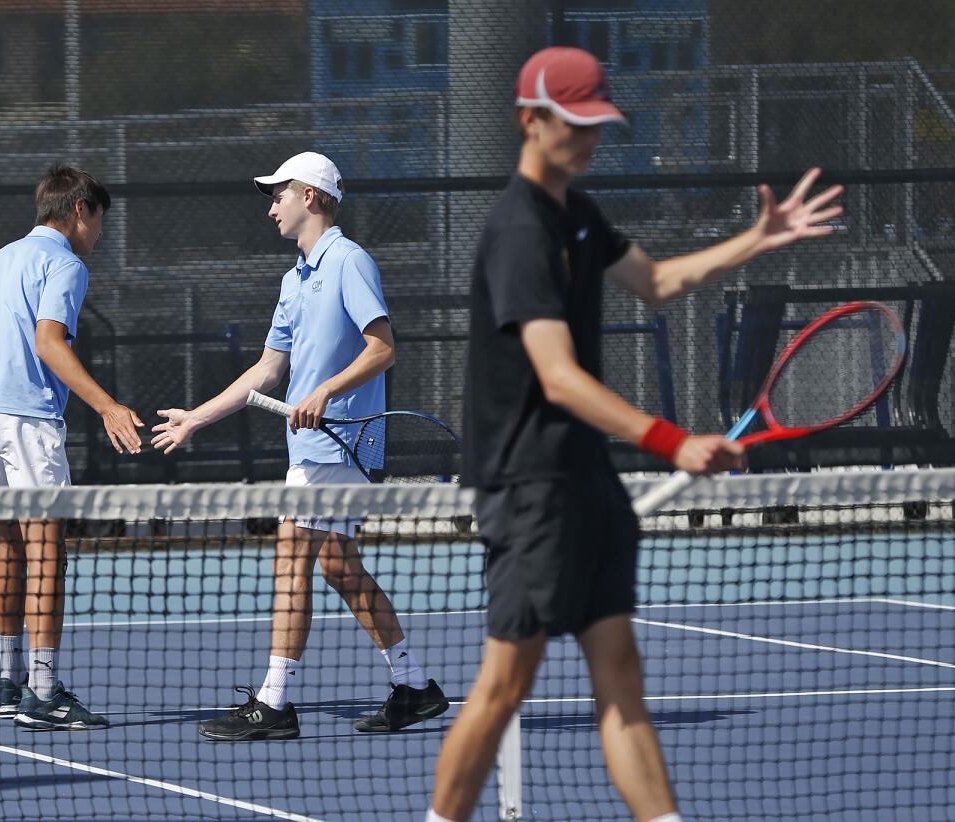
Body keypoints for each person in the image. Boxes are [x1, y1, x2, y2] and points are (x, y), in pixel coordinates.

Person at [426, 48, 844, 821]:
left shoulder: (577, 215)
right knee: (505, 684)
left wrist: (760, 238)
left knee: (620, 671)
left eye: (599, 125)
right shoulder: (518, 228)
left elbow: (655, 282)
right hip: (528, 486)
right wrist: (670, 441)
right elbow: (555, 375)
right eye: (575, 123)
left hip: (585, 480)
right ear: (531, 119)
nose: (589, 139)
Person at [151, 151, 450, 740]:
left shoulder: (349, 261)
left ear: (310, 196)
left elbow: (383, 347)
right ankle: (415, 687)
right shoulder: (295, 280)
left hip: (341, 446)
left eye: (278, 195)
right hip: (311, 451)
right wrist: (195, 420)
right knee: (339, 567)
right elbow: (266, 371)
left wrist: (326, 393)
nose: (271, 208)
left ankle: (275, 702)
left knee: (291, 559)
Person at [0, 163, 144, 731]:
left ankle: (10, 682)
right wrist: (107, 406)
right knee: (48, 550)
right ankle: (44, 691)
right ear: (80, 210)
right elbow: (49, 342)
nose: (99, 233)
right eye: (99, 219)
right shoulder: (66, 264)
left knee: (9, 546)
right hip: (23, 422)